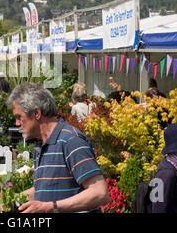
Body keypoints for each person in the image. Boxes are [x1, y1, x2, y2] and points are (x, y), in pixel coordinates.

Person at [6, 83, 109, 213]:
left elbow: (99, 193)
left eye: (19, 117)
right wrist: (14, 199)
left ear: (37, 113)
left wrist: (50, 207)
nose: (17, 123)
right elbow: (47, 189)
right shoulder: (43, 145)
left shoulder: (70, 140)